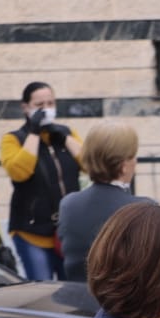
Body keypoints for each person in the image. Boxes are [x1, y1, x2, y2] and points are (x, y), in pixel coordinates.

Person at [0, 81, 84, 282]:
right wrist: (34, 133)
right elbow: (19, 172)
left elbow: (91, 164)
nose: (46, 109)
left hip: (67, 233)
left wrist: (65, 138)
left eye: (50, 103)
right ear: (25, 107)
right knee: (41, 289)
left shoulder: (65, 133)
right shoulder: (13, 139)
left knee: (74, 291)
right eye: (39, 105)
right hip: (32, 234)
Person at [60, 120, 141, 285]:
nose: (136, 162)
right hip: (122, 304)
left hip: (76, 300)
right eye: (133, 156)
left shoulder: (68, 204)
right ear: (124, 165)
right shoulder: (143, 209)